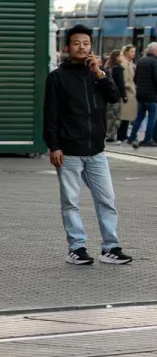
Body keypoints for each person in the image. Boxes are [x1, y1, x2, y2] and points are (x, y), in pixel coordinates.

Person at [43, 25, 132, 265]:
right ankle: (77, 247)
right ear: (67, 47)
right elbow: (50, 115)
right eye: (76, 43)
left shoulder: (98, 73)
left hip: (96, 151)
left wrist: (100, 73)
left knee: (107, 200)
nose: (82, 47)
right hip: (69, 151)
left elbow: (114, 97)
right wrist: (54, 146)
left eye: (86, 43)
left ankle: (110, 247)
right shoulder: (57, 77)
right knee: (70, 202)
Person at [130, 42, 157, 149]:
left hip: (140, 94)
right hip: (151, 95)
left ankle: (131, 137)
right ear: (155, 51)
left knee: (139, 116)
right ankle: (148, 139)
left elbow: (135, 78)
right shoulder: (155, 62)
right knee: (152, 117)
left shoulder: (141, 60)